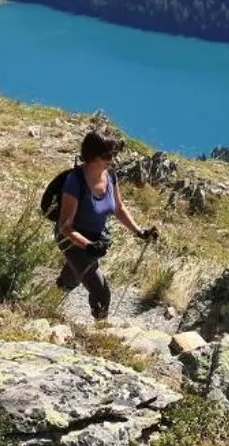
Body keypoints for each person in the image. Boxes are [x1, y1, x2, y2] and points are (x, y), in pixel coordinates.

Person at [53, 130, 157, 322]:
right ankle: (101, 332)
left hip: (95, 239)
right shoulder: (75, 181)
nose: (113, 159)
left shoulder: (110, 177)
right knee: (101, 292)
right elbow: (65, 226)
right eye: (108, 155)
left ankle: (52, 297)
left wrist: (140, 232)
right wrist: (88, 246)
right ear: (93, 155)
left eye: (114, 154)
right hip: (72, 239)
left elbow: (118, 208)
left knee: (74, 277)